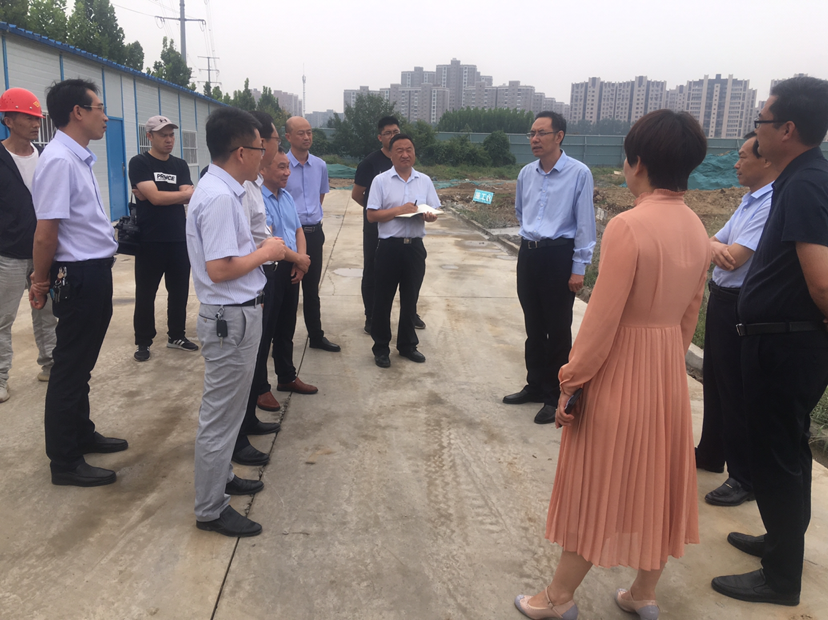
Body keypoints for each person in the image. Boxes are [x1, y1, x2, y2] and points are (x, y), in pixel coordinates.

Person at [514, 110, 709, 620]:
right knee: (656, 479)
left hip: (620, 366)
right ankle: (643, 593)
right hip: (666, 372)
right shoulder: (696, 226)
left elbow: (602, 319)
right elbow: (690, 314)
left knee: (596, 480)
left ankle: (557, 598)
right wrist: (666, 363)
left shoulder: (628, 225)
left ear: (637, 162)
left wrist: (571, 381)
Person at [712, 76, 828, 607]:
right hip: (778, 341)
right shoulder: (798, 179)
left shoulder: (805, 184)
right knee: (783, 452)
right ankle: (780, 542)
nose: (755, 131)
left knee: (780, 458)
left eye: (761, 120)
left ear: (787, 129)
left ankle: (781, 578)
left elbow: (820, 281)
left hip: (787, 346)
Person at [186, 107, 286, 537]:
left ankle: (221, 478)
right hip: (229, 318)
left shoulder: (223, 190)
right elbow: (220, 268)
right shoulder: (221, 197)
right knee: (220, 417)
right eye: (260, 148)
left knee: (226, 413)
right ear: (241, 151)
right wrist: (267, 253)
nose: (265, 155)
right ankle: (210, 509)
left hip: (236, 315)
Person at [29, 79, 127, 487]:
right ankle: (65, 461)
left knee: (80, 365)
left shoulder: (77, 158)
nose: (105, 117)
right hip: (79, 275)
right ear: (78, 112)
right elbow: (45, 233)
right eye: (99, 108)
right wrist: (39, 282)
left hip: (94, 272)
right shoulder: (59, 160)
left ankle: (81, 433)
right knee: (69, 368)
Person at [694, 131, 776, 507]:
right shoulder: (748, 201)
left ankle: (744, 476)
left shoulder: (771, 202)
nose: (736, 164)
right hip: (722, 299)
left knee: (736, 389)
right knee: (714, 378)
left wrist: (714, 247)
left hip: (744, 303)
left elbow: (734, 257)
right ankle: (711, 452)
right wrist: (714, 247)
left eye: (743, 157)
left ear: (767, 160)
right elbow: (712, 243)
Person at [502, 111, 596, 425]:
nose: (534, 139)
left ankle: (554, 395)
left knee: (557, 329)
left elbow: (585, 224)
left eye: (541, 133)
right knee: (533, 326)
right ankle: (534, 385)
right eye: (531, 133)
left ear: (559, 136)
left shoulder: (578, 173)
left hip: (559, 255)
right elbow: (521, 211)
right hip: (529, 254)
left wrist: (578, 267)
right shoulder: (526, 173)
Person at [230, 110, 286, 468]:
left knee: (256, 356)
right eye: (275, 138)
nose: (276, 144)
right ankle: (236, 440)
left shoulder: (250, 182)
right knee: (237, 372)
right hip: (244, 285)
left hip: (261, 276)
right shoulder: (232, 189)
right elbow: (238, 247)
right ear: (260, 142)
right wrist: (271, 250)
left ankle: (248, 419)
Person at [0, 87, 56, 403]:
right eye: (28, 118)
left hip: (42, 251)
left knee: (47, 313)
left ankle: (51, 365)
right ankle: (0, 378)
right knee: (2, 319)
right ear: (8, 120)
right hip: (6, 254)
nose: (36, 124)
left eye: (37, 118)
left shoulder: (46, 157)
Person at [366, 134, 439, 368]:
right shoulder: (381, 181)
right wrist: (399, 210)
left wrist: (429, 216)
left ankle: (407, 345)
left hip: (415, 248)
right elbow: (372, 215)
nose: (405, 154)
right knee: (383, 300)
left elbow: (434, 210)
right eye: (399, 150)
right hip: (389, 248)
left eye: (409, 150)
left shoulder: (424, 180)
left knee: (410, 299)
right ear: (391, 154)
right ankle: (381, 347)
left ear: (414, 153)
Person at [129, 115, 197, 362]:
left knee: (179, 291)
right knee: (146, 293)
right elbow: (159, 198)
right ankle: (143, 341)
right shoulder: (140, 163)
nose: (169, 140)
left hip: (179, 238)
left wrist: (156, 195)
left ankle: (176, 335)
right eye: (163, 135)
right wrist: (174, 195)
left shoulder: (180, 165)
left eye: (171, 135)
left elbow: (188, 194)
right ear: (149, 136)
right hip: (150, 240)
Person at [352, 116, 425, 334]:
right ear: (380, 137)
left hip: (407, 232)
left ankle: (410, 314)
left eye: (396, 131)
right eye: (388, 133)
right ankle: (371, 315)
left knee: (409, 276)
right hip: (376, 229)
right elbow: (357, 194)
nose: (393, 135)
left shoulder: (407, 163)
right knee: (373, 271)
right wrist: (380, 212)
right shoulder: (370, 164)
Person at [284, 115, 340, 353]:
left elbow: (320, 196)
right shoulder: (281, 165)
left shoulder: (320, 165)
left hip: (314, 234)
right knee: (288, 290)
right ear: (288, 137)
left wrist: (311, 220)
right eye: (301, 133)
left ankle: (316, 336)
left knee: (311, 289)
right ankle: (281, 340)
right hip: (288, 236)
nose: (307, 137)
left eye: (309, 132)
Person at [262, 149, 314, 397]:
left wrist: (300, 262)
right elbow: (270, 242)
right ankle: (260, 387)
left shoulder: (287, 197)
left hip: (291, 267)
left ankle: (286, 376)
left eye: (287, 167)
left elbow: (298, 231)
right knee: (265, 329)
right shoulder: (258, 200)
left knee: (286, 326)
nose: (287, 172)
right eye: (281, 167)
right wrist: (299, 259)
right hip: (270, 270)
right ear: (263, 169)